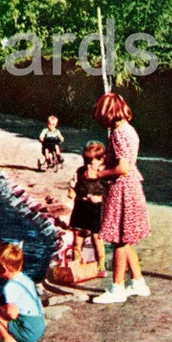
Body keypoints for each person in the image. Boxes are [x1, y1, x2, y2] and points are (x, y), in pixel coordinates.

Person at [92, 92, 151, 304]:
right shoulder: (128, 130)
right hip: (131, 187)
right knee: (125, 239)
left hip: (123, 189)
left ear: (108, 114)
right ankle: (137, 281)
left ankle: (117, 288)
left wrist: (99, 174)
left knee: (118, 239)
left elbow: (123, 168)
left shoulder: (118, 134)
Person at [0, 242, 45, 342]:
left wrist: (1, 309)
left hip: (29, 331)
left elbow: (12, 314)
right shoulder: (26, 279)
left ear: (3, 268)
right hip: (39, 327)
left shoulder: (11, 287)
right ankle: (29, 341)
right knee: (19, 312)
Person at [68, 141, 107, 276]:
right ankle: (75, 266)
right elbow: (73, 185)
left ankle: (101, 266)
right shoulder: (80, 172)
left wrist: (100, 198)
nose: (89, 166)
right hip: (80, 207)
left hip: (95, 209)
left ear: (101, 160)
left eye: (92, 162)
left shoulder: (103, 175)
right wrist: (72, 192)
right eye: (87, 162)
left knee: (97, 238)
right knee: (78, 238)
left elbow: (108, 192)